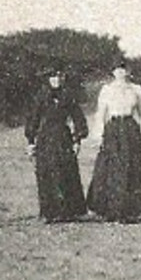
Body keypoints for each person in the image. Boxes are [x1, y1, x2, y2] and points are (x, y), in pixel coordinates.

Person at [86, 65, 141, 223]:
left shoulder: (136, 89)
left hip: (129, 128)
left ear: (128, 71)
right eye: (117, 70)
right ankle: (110, 209)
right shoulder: (106, 90)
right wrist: (98, 134)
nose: (120, 73)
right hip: (113, 129)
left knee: (131, 167)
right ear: (113, 72)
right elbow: (101, 114)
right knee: (111, 168)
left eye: (123, 69)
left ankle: (130, 211)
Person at [23, 69, 89, 222]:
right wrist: (31, 141)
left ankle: (68, 211)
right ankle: (49, 212)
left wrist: (77, 139)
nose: (56, 80)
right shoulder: (41, 96)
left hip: (63, 137)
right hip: (45, 138)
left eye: (59, 77)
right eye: (53, 77)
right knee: (46, 173)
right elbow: (33, 119)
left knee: (66, 172)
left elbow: (78, 117)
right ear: (48, 79)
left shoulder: (68, 96)